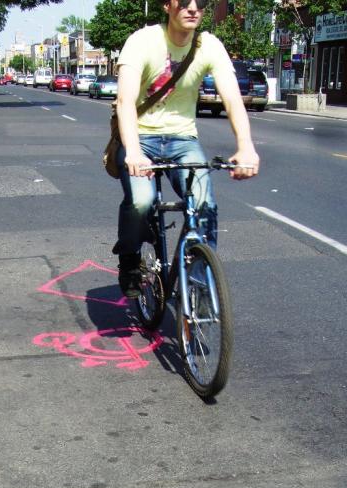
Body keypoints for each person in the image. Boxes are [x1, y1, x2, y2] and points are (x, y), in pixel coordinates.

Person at [113, 0, 260, 298]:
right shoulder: (142, 41)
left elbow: (232, 98)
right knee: (141, 201)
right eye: (184, 1)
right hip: (140, 137)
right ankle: (129, 258)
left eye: (202, 2)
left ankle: (200, 292)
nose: (193, 8)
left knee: (205, 204)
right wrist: (133, 152)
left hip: (183, 141)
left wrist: (246, 147)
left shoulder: (209, 46)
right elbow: (125, 101)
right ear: (168, 5)